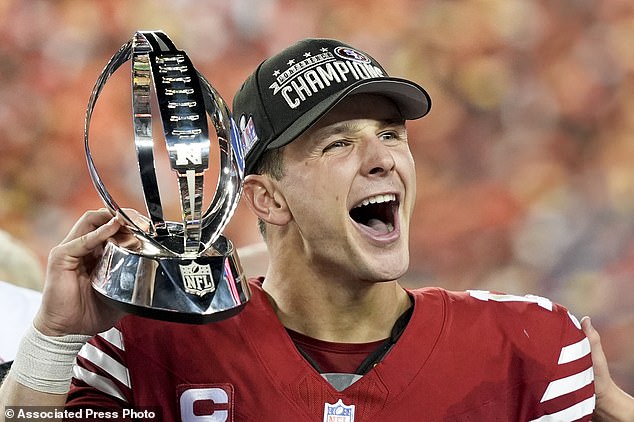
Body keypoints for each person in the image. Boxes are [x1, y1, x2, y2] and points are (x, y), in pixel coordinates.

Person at [0, 37, 633, 421]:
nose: (383, 157)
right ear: (267, 198)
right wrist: (53, 339)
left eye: (391, 135)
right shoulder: (149, 349)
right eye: (339, 143)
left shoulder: (531, 347)